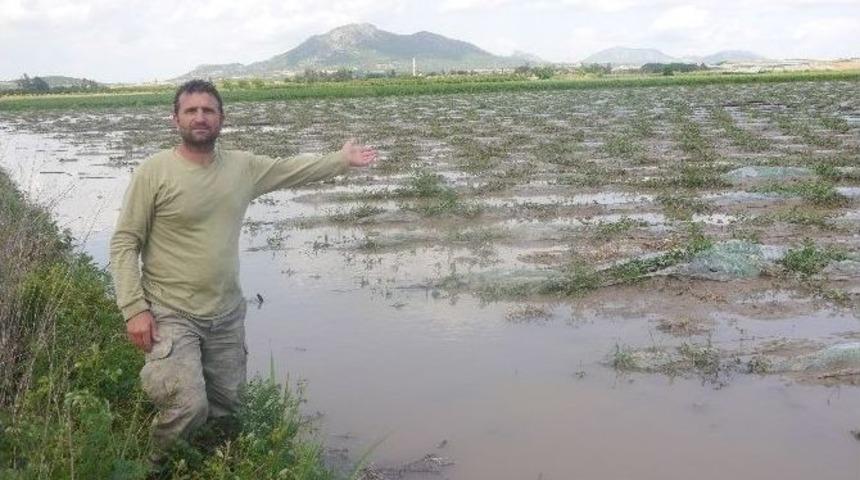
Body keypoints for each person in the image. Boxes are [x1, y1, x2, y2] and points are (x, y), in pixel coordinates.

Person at [109, 79, 376, 463]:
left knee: (228, 411)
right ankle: (153, 469)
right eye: (191, 111)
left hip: (226, 313)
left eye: (208, 110)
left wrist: (340, 159)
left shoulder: (242, 168)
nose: (200, 117)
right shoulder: (154, 172)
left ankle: (214, 466)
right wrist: (134, 308)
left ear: (221, 119)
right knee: (187, 406)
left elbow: (291, 170)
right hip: (170, 310)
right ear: (175, 119)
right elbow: (124, 241)